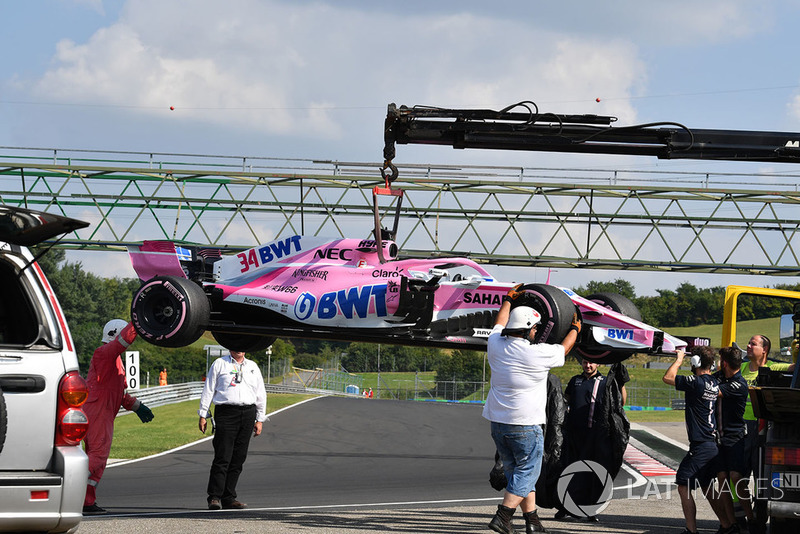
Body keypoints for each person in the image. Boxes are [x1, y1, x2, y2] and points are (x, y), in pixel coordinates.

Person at [483, 284, 580, 534]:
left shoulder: (494, 344)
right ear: (528, 329)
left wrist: (508, 300)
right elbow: (565, 349)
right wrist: (575, 328)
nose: (537, 332)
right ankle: (503, 516)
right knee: (527, 472)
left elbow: (499, 322)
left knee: (518, 473)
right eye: (535, 328)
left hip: (498, 423)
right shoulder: (536, 354)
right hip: (525, 424)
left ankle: (533, 522)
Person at [82, 319, 154, 515]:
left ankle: (86, 502)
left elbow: (119, 394)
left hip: (102, 411)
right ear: (116, 334)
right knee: (98, 456)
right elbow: (124, 340)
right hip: (98, 411)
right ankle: (70, 488)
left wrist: (138, 407)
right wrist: (138, 321)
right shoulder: (104, 353)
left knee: (98, 459)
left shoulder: (115, 360)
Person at [556, 358, 628, 522]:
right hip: (573, 435)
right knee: (568, 471)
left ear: (598, 364)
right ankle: (564, 506)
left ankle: (590, 509)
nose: (588, 366)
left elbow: (621, 402)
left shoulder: (604, 382)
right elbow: (565, 400)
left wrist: (621, 383)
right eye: (584, 363)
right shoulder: (576, 380)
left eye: (591, 363)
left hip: (595, 436)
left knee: (591, 474)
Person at [198, 349, 267, 510]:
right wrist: (203, 414)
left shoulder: (252, 366)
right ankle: (214, 497)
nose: (239, 349)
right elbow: (208, 389)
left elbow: (260, 394)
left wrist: (260, 419)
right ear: (230, 348)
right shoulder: (220, 364)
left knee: (238, 457)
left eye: (243, 347)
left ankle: (229, 497)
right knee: (223, 456)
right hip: (226, 412)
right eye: (236, 346)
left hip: (248, 413)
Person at [663, 346, 722, 534]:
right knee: (706, 486)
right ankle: (728, 524)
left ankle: (691, 530)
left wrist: (679, 359)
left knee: (683, 485)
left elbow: (668, 378)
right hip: (711, 444)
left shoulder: (696, 382)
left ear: (695, 362)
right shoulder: (713, 382)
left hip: (701, 445)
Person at [712, 345, 752, 533]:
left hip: (734, 436)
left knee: (736, 477)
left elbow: (715, 391)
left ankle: (750, 519)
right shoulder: (718, 377)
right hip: (718, 438)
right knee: (722, 479)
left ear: (724, 363)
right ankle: (729, 523)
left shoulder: (739, 383)